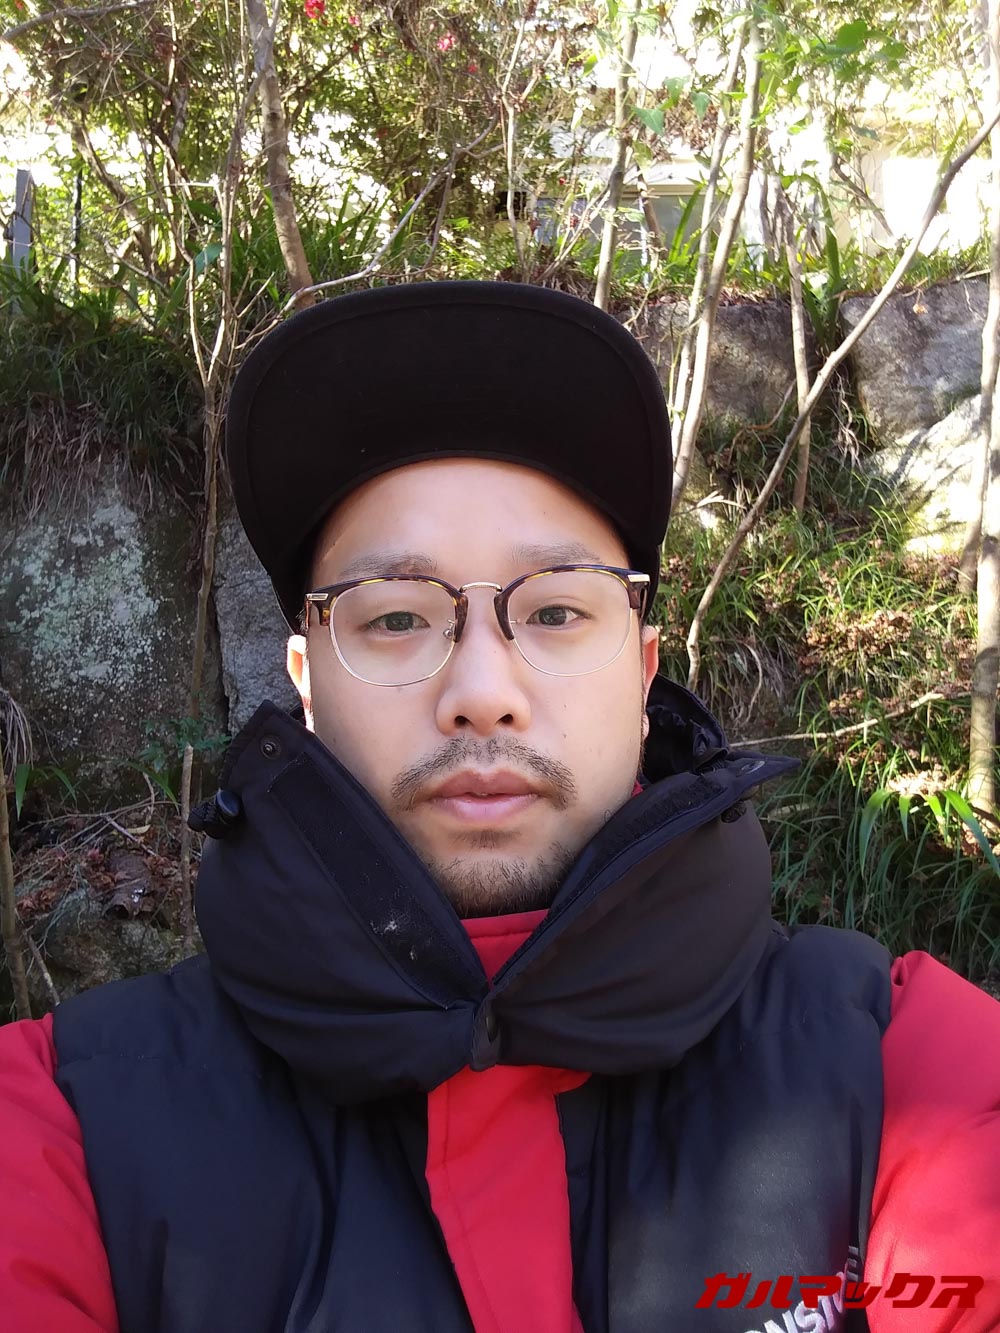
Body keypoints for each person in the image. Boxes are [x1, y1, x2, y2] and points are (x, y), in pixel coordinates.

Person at [1, 281, 998, 1333]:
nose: (482, 690)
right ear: (307, 684)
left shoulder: (908, 1071)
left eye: (557, 609)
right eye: (396, 618)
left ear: (643, 670)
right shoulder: (61, 1126)